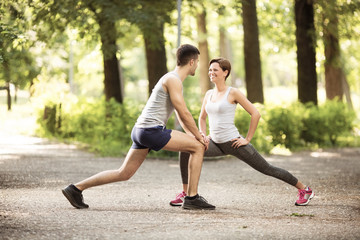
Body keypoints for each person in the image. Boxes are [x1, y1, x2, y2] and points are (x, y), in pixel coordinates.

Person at [62, 44, 215, 210]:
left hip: (141, 131)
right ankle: (192, 197)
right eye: (198, 61)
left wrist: (192, 135)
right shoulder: (173, 80)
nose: (198, 65)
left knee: (124, 173)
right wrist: (199, 137)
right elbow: (184, 113)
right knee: (198, 147)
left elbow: (180, 115)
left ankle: (75, 189)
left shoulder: (172, 79)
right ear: (191, 62)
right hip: (151, 131)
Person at [169, 57, 314, 207]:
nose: (211, 73)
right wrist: (203, 136)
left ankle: (304, 189)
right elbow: (202, 118)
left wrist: (247, 139)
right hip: (215, 143)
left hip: (234, 143)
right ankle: (186, 193)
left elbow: (255, 114)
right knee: (185, 149)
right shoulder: (209, 94)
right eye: (210, 70)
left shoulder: (233, 93)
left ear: (225, 72)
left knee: (267, 169)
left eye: (215, 70)